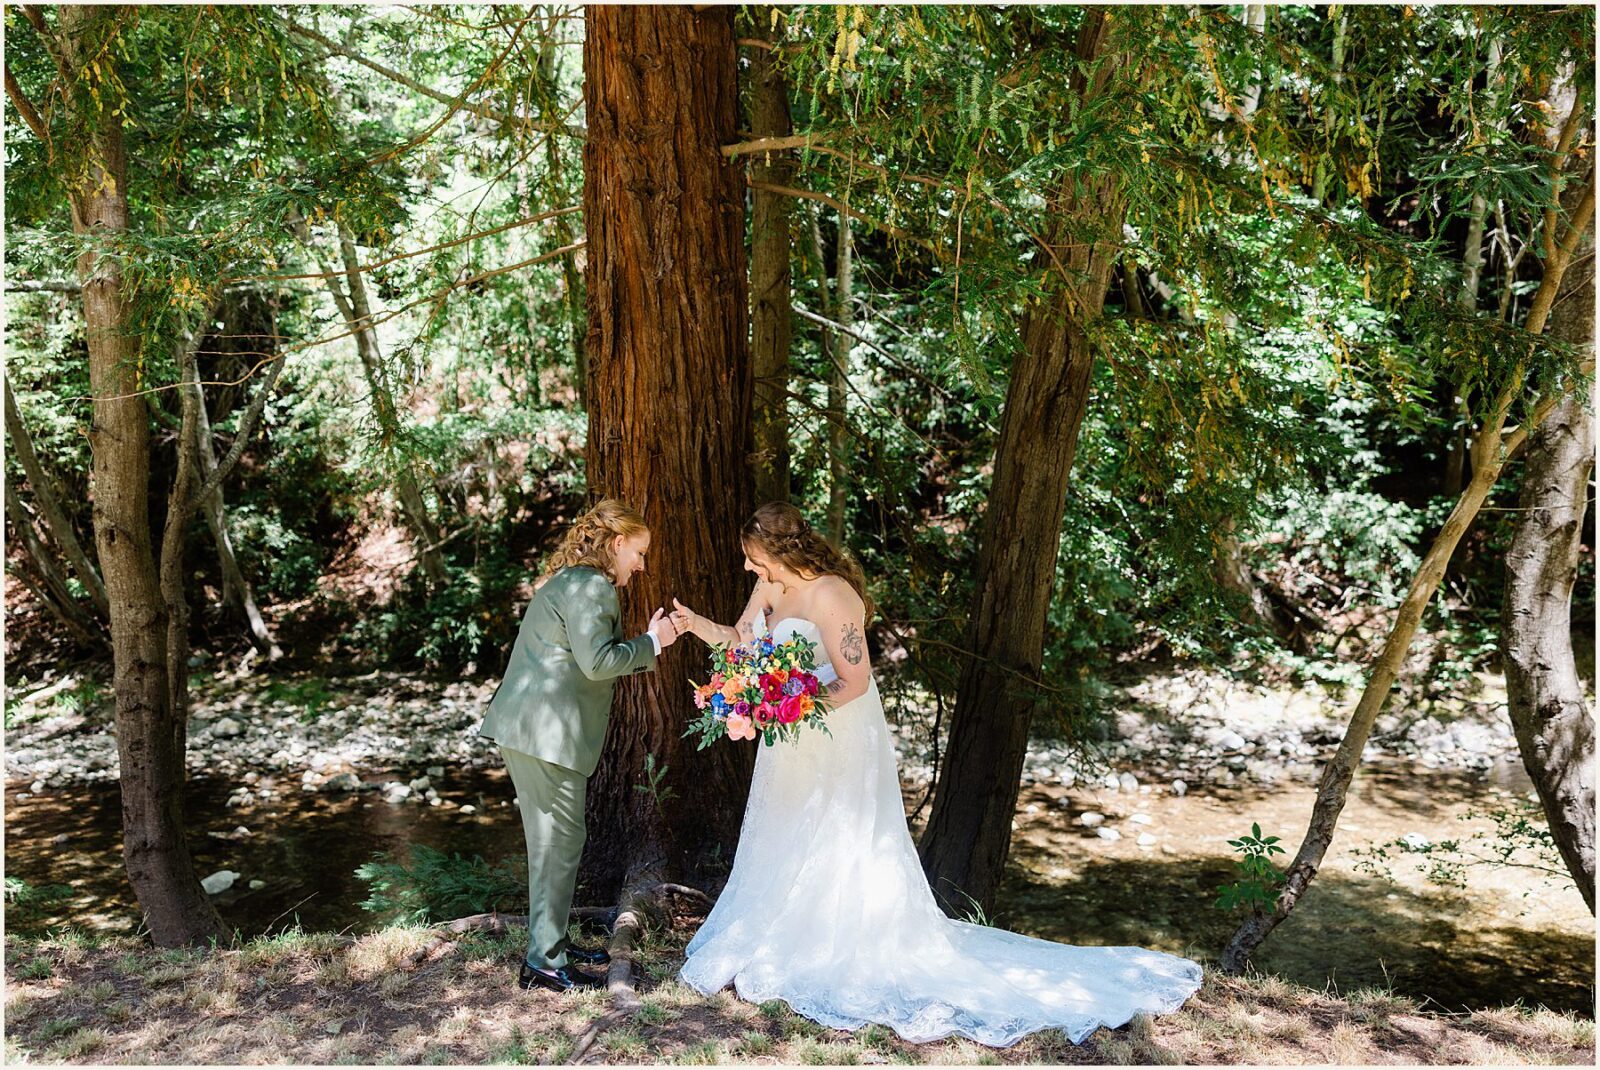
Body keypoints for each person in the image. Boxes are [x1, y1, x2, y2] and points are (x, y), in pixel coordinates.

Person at [668, 501, 1202, 1046]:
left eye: (753, 558)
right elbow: (742, 642)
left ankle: (836, 939)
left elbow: (852, 682)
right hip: (790, 742)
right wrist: (697, 629)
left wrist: (787, 703)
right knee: (784, 827)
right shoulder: (769, 588)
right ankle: (775, 931)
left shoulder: (832, 595)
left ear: (779, 551)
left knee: (838, 831)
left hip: (835, 734)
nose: (747, 568)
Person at [479, 499, 682, 992]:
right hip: (544, 736)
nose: (641, 563)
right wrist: (653, 642)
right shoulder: (593, 586)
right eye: (639, 551)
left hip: (533, 731)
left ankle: (552, 942)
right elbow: (596, 662)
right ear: (617, 544)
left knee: (558, 845)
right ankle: (544, 964)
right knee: (557, 847)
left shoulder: (574, 580)